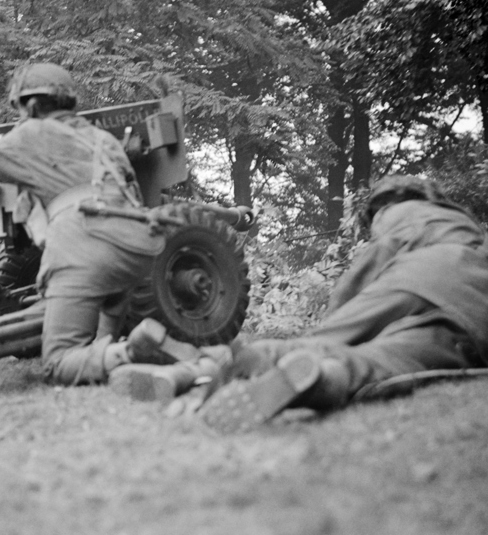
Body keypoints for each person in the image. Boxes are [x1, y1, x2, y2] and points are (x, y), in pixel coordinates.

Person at [0, 62, 211, 385]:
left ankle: (135, 350)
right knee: (99, 348)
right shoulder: (102, 138)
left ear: (29, 105)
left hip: (84, 243)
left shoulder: (31, 133)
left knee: (59, 362)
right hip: (136, 246)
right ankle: (174, 362)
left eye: (18, 108)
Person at [176, 174, 488, 433]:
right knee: (395, 361)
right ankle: (326, 378)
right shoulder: (460, 221)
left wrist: (336, 322)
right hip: (477, 315)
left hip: (419, 275)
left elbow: (365, 272)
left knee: (324, 341)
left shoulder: (398, 212)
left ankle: (255, 358)